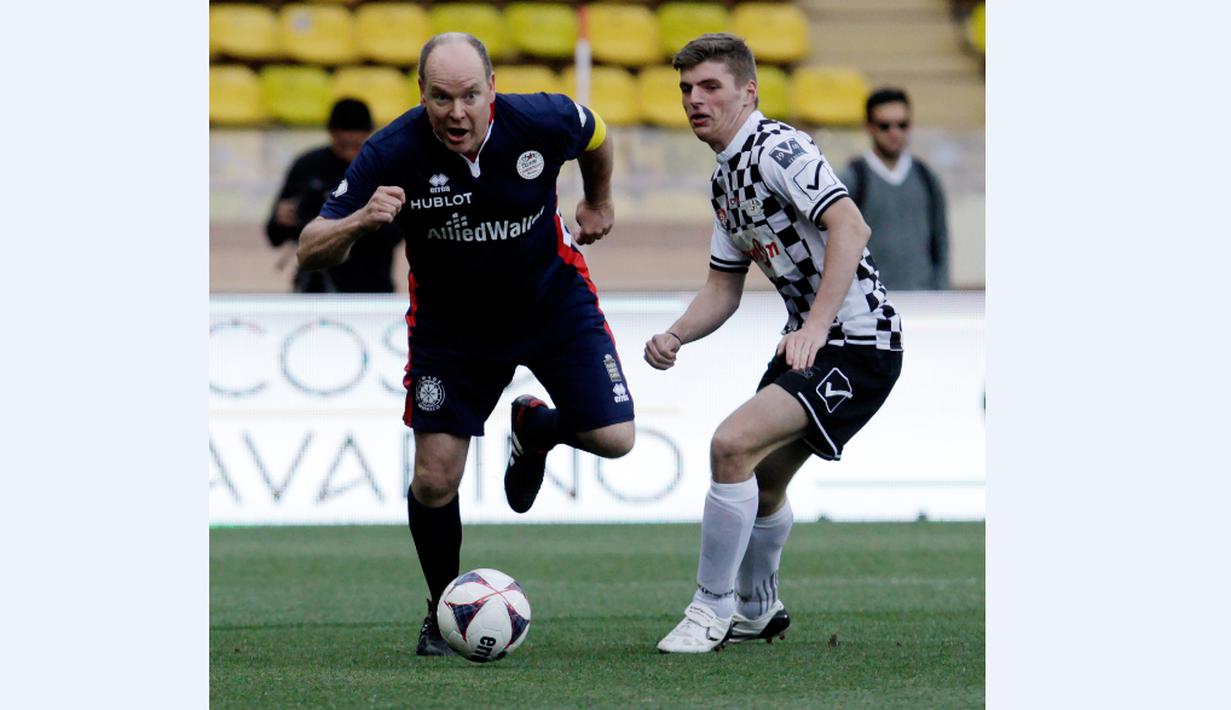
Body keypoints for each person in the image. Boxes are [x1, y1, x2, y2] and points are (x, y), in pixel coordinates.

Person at [296, 33, 636, 656]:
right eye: (441, 98)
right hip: (453, 332)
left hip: (552, 303)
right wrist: (359, 221)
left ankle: (536, 430)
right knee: (433, 479)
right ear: (421, 95)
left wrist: (599, 198)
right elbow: (310, 243)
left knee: (616, 439)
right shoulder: (392, 150)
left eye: (470, 96)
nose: (457, 113)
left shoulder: (542, 119)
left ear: (492, 90)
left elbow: (597, 133)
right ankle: (441, 610)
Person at [645, 34, 903, 653]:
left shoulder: (778, 148)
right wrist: (677, 334)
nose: (694, 101)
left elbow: (851, 225)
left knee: (730, 446)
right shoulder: (725, 180)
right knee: (759, 479)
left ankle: (711, 608)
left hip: (859, 340)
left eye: (710, 87)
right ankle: (759, 609)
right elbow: (721, 290)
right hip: (813, 340)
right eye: (686, 89)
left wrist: (815, 325)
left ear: (747, 92)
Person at [266, 98, 404, 292]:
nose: (349, 153)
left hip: (371, 286)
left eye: (356, 146)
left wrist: (363, 219)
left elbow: (400, 233)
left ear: (369, 135)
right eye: (342, 145)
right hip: (315, 286)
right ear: (331, 135)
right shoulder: (308, 166)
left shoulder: (385, 168)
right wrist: (280, 220)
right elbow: (274, 235)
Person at [839, 87, 949, 290]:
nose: (894, 132)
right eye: (884, 125)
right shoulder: (852, 179)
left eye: (902, 125)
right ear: (869, 127)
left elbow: (941, 241)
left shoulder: (926, 177)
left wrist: (941, 290)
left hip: (923, 300)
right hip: (870, 305)